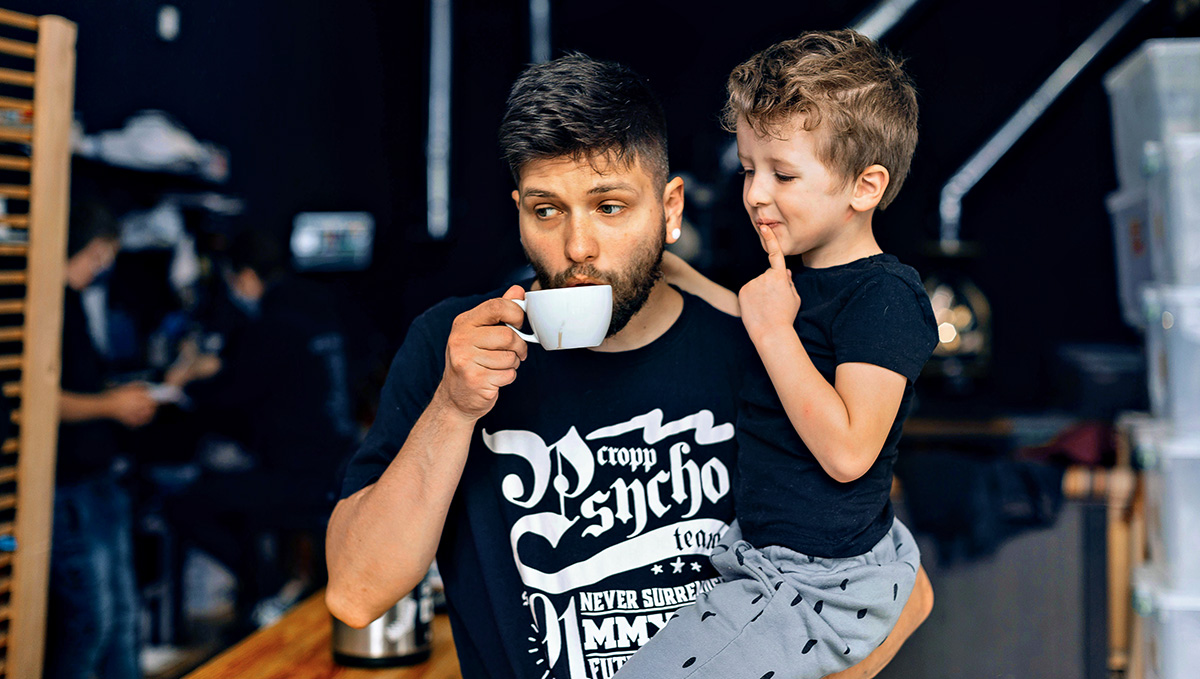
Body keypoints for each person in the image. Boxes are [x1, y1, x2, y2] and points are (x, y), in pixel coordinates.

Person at [326, 53, 931, 679]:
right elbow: (355, 593)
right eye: (546, 209)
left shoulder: (762, 351)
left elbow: (901, 592)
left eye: (609, 207)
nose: (577, 245)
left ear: (670, 210)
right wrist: (453, 408)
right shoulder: (453, 350)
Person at [616, 31, 938, 678]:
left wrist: (772, 331)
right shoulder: (802, 283)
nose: (757, 193)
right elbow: (767, 321)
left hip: (826, 583)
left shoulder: (886, 297)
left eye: (783, 173)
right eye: (749, 168)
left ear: (865, 186)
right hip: (763, 562)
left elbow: (850, 452)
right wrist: (665, 265)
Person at [165, 229, 358, 626]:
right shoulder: (320, 308)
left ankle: (267, 588)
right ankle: (270, 588)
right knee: (237, 497)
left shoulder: (270, 326)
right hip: (341, 464)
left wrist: (184, 382)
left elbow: (230, 395)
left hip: (300, 477)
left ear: (247, 277)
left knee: (184, 503)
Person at [46, 202, 158, 679]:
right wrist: (111, 406)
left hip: (99, 478)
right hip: (68, 486)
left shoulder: (71, 302)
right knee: (90, 624)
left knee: (124, 621)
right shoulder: (44, 303)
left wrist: (118, 396)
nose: (100, 268)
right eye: (95, 255)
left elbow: (80, 385)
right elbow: (41, 402)